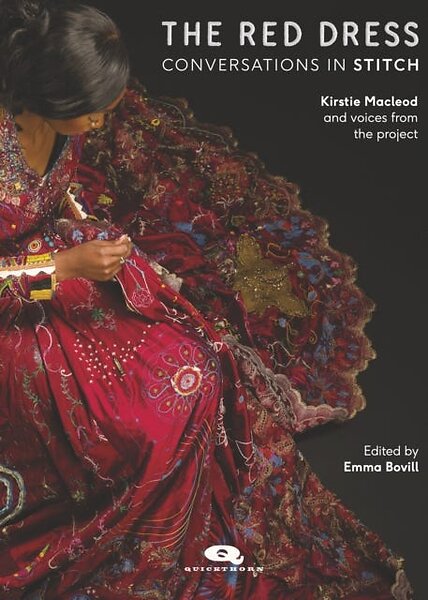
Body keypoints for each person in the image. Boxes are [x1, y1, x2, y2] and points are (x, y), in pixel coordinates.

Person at [0, 1, 412, 598]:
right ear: (53, 97)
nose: (102, 121)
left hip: (55, 267)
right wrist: (64, 267)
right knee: (145, 418)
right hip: (15, 308)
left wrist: (81, 225)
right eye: (94, 110)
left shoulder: (64, 128)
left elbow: (49, 193)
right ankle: (134, 507)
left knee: (198, 357)